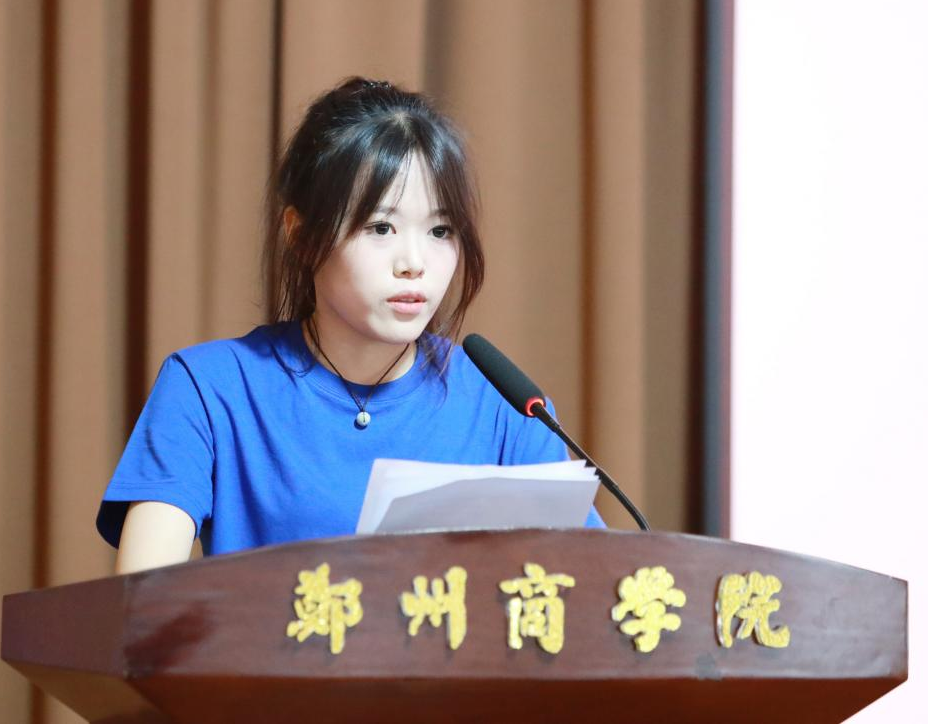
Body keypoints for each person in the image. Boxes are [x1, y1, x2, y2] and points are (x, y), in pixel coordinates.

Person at [97, 77, 602, 574]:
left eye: (440, 230)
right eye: (381, 227)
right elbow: (142, 601)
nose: (414, 263)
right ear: (301, 235)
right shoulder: (208, 388)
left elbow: (593, 587)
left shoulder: (509, 407)